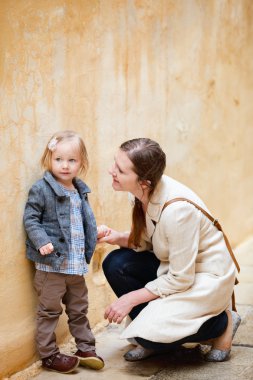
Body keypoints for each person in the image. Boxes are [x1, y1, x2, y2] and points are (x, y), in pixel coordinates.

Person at [97, 137, 241, 363]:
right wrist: (116, 237)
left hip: (202, 277)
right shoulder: (144, 189)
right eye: (115, 163)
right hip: (175, 267)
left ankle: (222, 322)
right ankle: (157, 338)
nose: (111, 170)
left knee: (149, 338)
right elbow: (151, 240)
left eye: (120, 170)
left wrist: (130, 299)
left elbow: (181, 278)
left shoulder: (178, 212)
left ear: (143, 181)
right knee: (116, 263)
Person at [23, 130, 104, 374]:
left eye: (72, 160)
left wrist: (93, 233)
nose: (65, 166)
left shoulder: (80, 190)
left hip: (76, 266)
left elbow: (79, 222)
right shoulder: (42, 189)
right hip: (52, 267)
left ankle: (85, 348)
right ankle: (49, 354)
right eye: (59, 159)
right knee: (49, 311)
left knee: (79, 310)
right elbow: (31, 219)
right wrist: (41, 241)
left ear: (82, 163)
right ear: (49, 159)